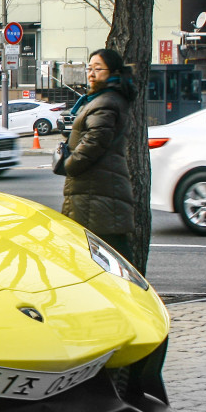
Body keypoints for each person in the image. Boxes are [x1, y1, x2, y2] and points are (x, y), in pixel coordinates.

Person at [61, 47, 138, 264]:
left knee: (108, 256)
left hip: (97, 190)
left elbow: (94, 142)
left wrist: (69, 164)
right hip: (96, 189)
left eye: (98, 68)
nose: (91, 73)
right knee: (108, 255)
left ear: (112, 72)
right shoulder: (103, 99)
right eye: (89, 68)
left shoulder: (105, 102)